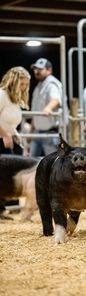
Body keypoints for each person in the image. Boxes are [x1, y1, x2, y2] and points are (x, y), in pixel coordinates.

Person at [0, 66, 30, 219]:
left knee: (11, 174)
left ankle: (5, 208)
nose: (24, 87)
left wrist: (15, 133)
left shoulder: (14, 99)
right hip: (2, 139)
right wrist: (4, 134)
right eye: (22, 84)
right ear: (13, 82)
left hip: (9, 139)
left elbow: (9, 122)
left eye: (25, 84)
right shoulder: (2, 95)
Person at [30, 58, 62, 156]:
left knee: (53, 163)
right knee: (32, 163)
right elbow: (36, 108)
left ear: (49, 70)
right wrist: (32, 126)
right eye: (35, 69)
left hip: (50, 133)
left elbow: (56, 99)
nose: (36, 71)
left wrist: (48, 108)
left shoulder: (51, 83)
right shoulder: (39, 85)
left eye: (40, 69)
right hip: (38, 132)